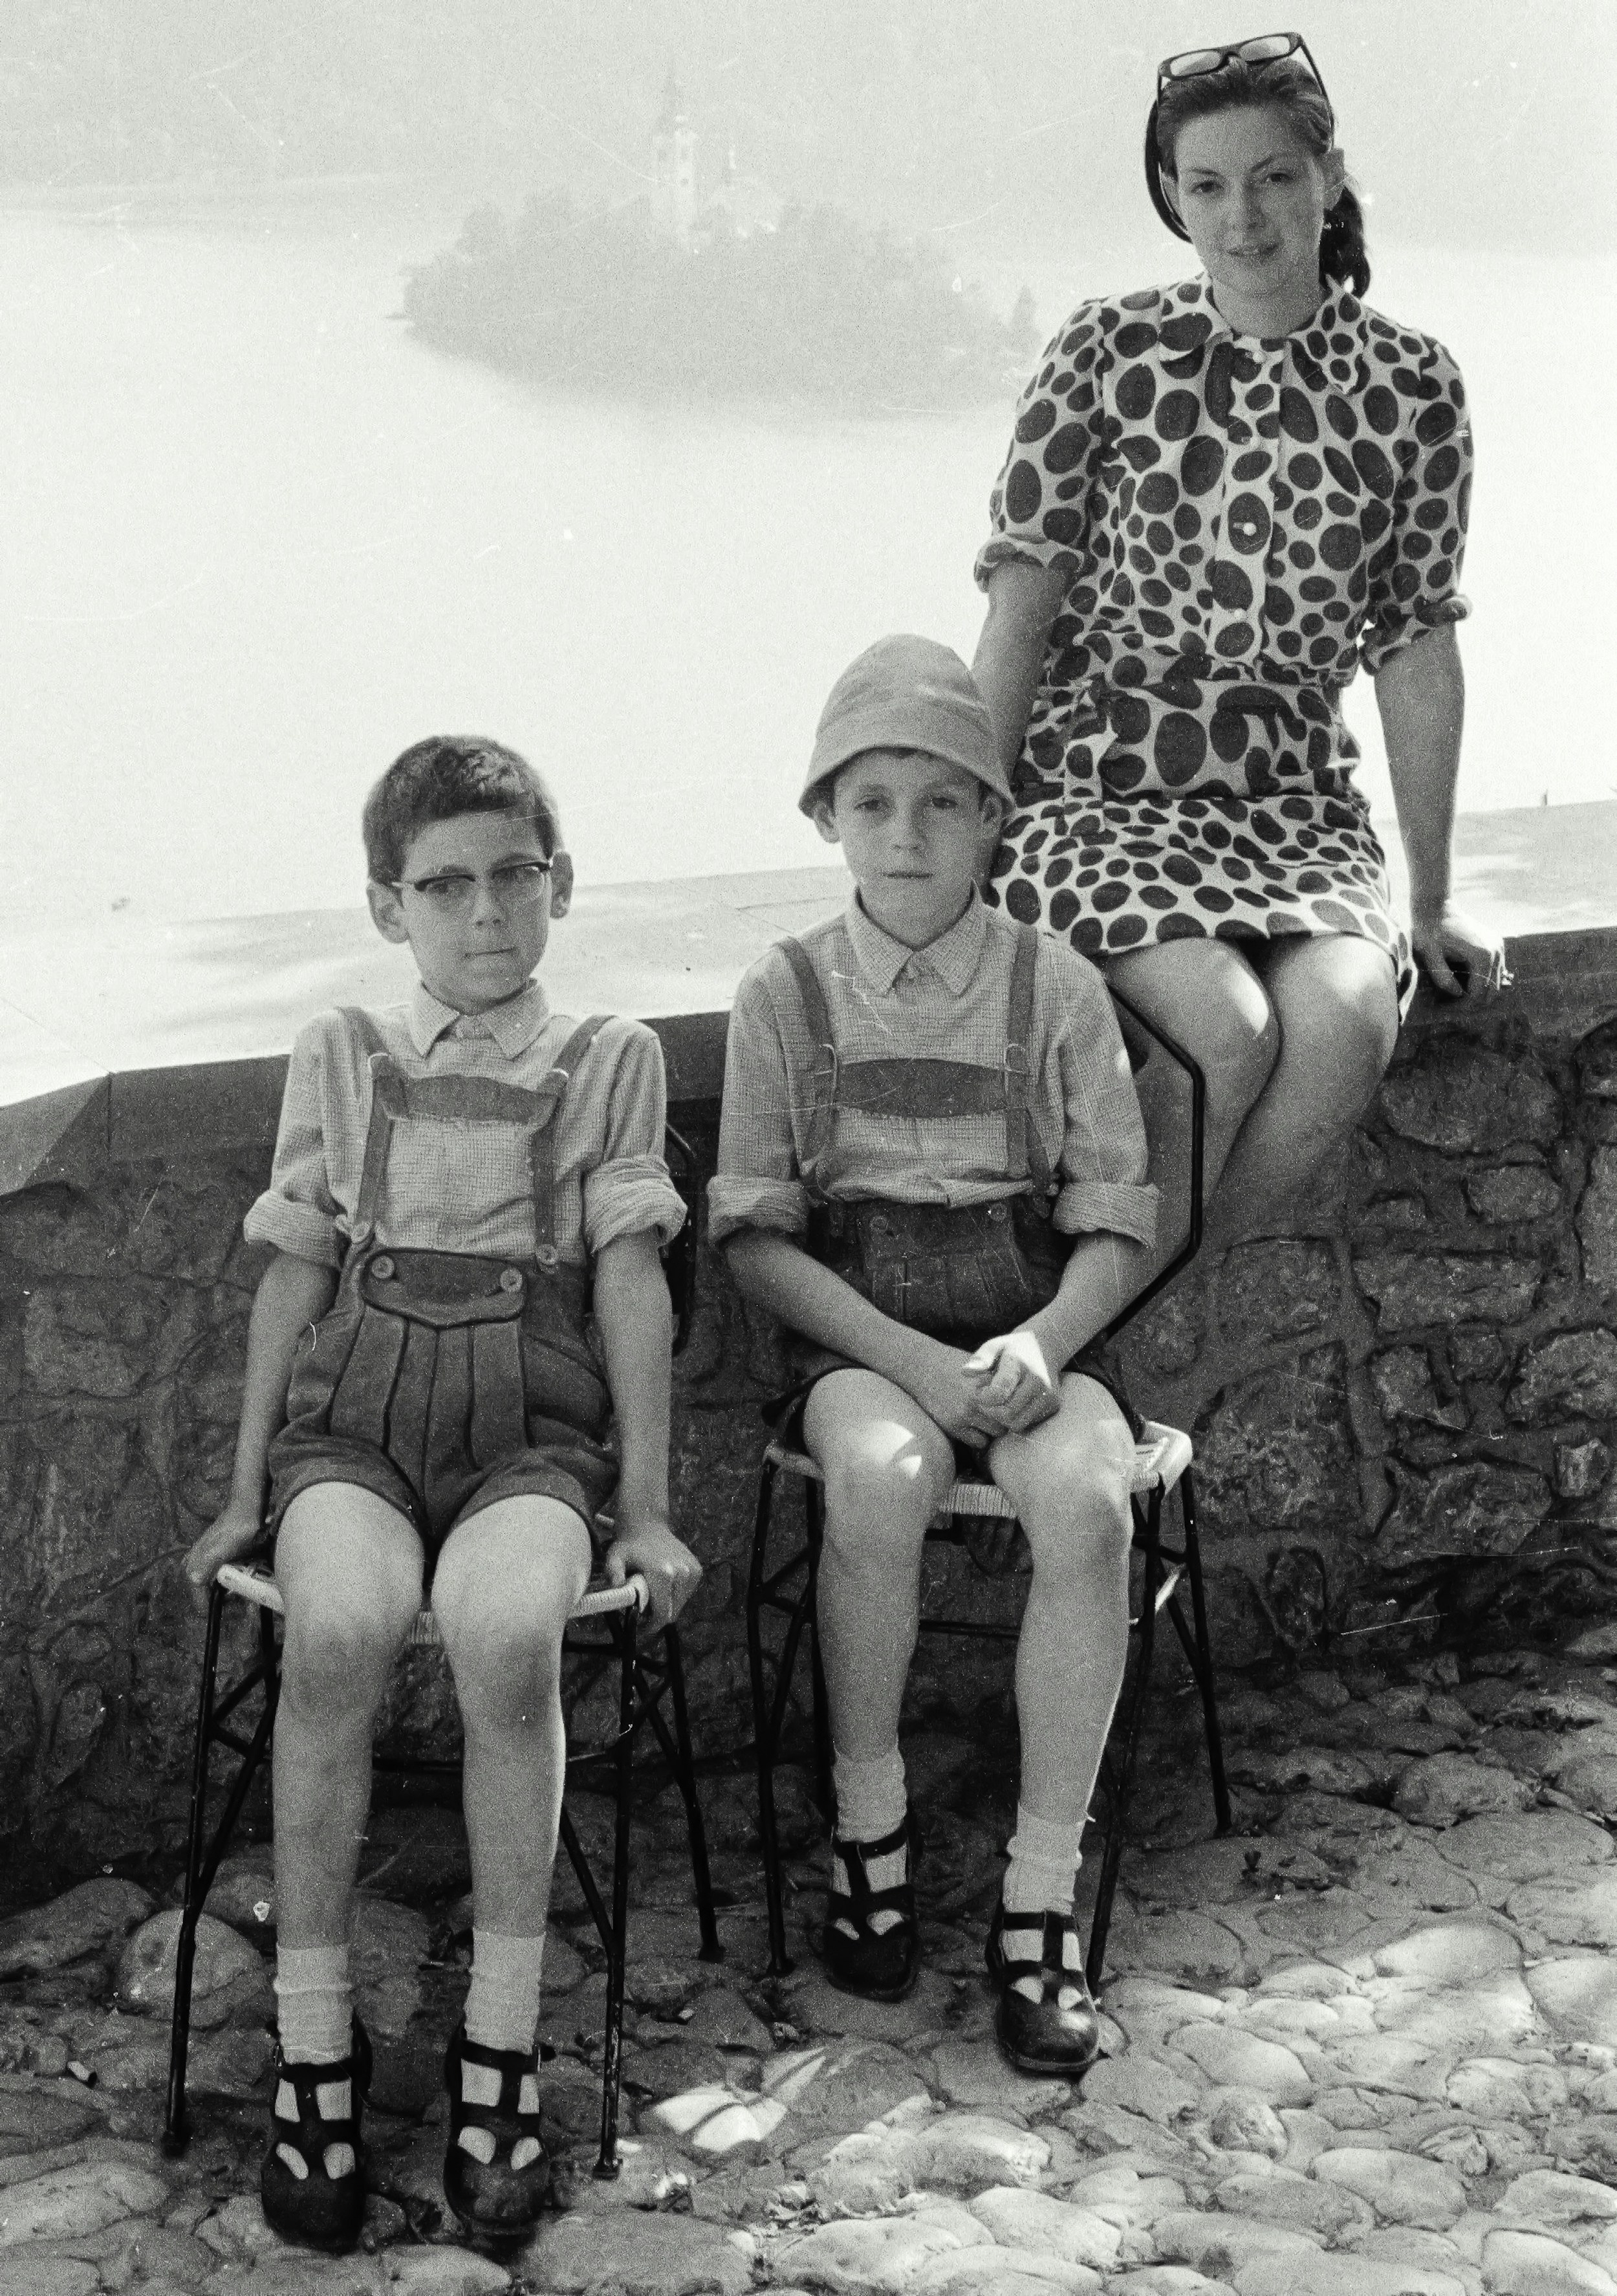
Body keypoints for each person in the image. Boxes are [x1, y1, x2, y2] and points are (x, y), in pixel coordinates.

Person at [184, 736, 701, 2251]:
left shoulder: (607, 1052)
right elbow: (293, 1276)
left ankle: (498, 2050)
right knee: (337, 1628)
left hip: (529, 1436)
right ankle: (316, 2050)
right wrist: (237, 1491)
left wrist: (648, 1505)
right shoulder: (340, 1049)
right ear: (384, 902)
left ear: (560, 882)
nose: (484, 913)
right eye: (445, 885)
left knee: (502, 1632)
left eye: (512, 876)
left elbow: (630, 1284)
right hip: (353, 1429)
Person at [971, 32, 1507, 1264]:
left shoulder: (1415, 386)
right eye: (1206, 186)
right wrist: (973, 820)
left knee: (1349, 1020)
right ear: (1172, 197)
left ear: (1326, 175)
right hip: (1096, 784)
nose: (1243, 216)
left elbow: (1415, 644)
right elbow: (1022, 605)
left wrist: (1428, 901)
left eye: (1273, 177)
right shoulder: (1108, 350)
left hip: (1293, 804)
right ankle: (1108, 1351)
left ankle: (1110, 1332)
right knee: (1227, 1031)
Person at [711, 635, 1157, 2073]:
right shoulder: (784, 991)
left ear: (990, 816)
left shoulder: (1054, 986)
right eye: (871, 802)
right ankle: (868, 1832)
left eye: (940, 801)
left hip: (1027, 1327)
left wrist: (1040, 1339)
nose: (903, 835)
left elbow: (1109, 1221)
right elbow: (755, 1236)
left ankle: (1040, 1899)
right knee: (884, 1476)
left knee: (1088, 1501)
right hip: (863, 1337)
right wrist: (904, 1357)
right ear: (825, 819)